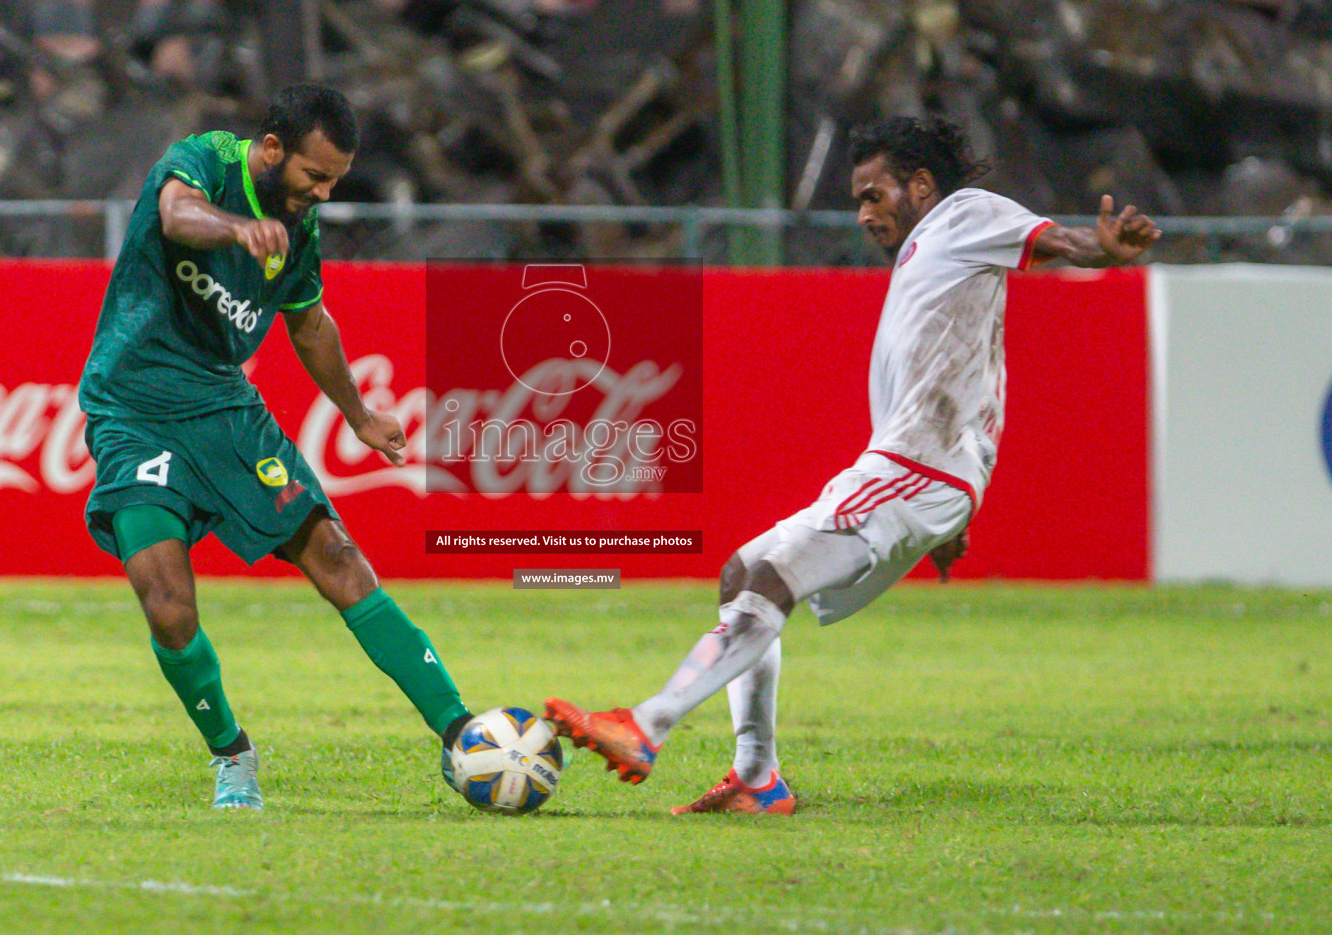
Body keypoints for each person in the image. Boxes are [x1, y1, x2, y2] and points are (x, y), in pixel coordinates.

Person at [545, 116, 1161, 814]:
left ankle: (647, 725)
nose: (866, 215)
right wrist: (950, 518)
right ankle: (756, 776)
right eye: (859, 201)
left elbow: (1056, 241)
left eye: (875, 195)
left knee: (773, 577)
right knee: (744, 571)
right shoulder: (928, 259)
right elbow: (965, 380)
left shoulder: (963, 213)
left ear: (921, 185)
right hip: (917, 473)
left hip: (918, 471)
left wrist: (1100, 247)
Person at [78, 84, 471, 809]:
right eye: (313, 175)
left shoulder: (300, 225)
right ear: (271, 151)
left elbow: (309, 320)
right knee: (167, 604)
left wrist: (357, 415)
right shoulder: (204, 163)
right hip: (132, 409)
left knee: (340, 559)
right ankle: (232, 754)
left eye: (334, 181)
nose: (321, 193)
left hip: (226, 411)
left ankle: (462, 737)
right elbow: (175, 215)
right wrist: (235, 230)